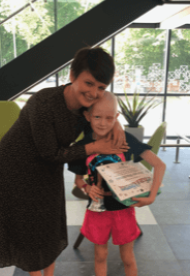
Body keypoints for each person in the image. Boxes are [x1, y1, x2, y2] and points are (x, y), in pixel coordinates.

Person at [0, 47, 130, 276]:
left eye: (101, 87)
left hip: (50, 162)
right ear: (72, 75)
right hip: (18, 163)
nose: (94, 93)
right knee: (29, 225)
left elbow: (103, 113)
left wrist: (116, 124)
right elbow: (51, 154)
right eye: (89, 83)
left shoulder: (88, 106)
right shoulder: (44, 103)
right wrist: (95, 146)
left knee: (50, 219)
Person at [68, 92, 166, 276]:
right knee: (100, 256)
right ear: (88, 116)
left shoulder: (125, 139)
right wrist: (87, 187)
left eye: (109, 118)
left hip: (123, 210)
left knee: (128, 257)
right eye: (97, 117)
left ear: (116, 117)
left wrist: (151, 196)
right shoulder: (83, 146)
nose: (103, 123)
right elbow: (78, 180)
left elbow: (159, 165)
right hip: (97, 212)